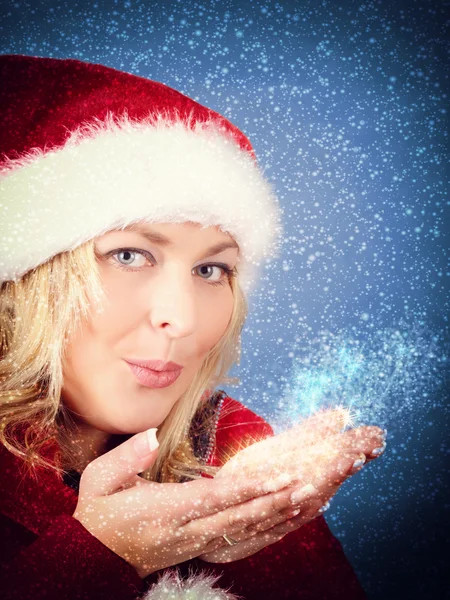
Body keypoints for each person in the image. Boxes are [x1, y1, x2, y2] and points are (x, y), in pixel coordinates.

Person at [0, 54, 386, 599]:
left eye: (211, 269)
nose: (181, 321)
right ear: (21, 279)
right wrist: (100, 554)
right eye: (129, 255)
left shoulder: (236, 468)